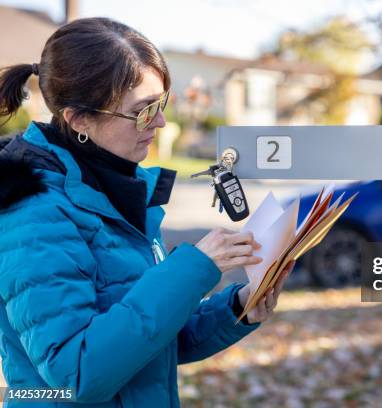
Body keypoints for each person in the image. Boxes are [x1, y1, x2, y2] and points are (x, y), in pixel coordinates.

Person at [0, 17, 292, 407]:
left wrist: (238, 309)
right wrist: (193, 269)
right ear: (79, 119)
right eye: (142, 110)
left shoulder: (120, 190)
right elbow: (77, 374)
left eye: (161, 103)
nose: (160, 122)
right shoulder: (34, 214)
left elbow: (151, 340)